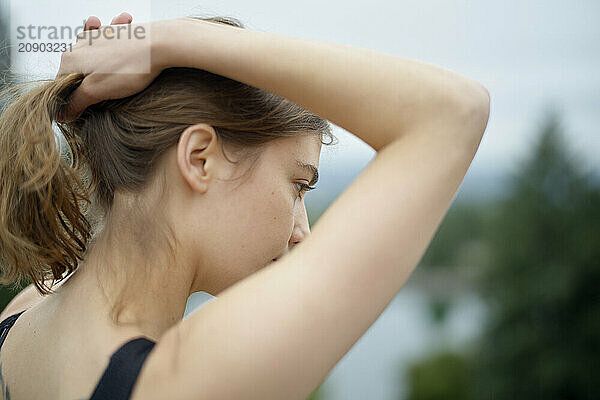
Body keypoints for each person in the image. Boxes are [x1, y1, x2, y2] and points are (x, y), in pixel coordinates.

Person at [0, 11, 490, 400]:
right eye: (298, 186)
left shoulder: (21, 318)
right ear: (200, 159)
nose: (304, 232)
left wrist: (160, 43)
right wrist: (172, 40)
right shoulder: (186, 382)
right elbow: (454, 112)